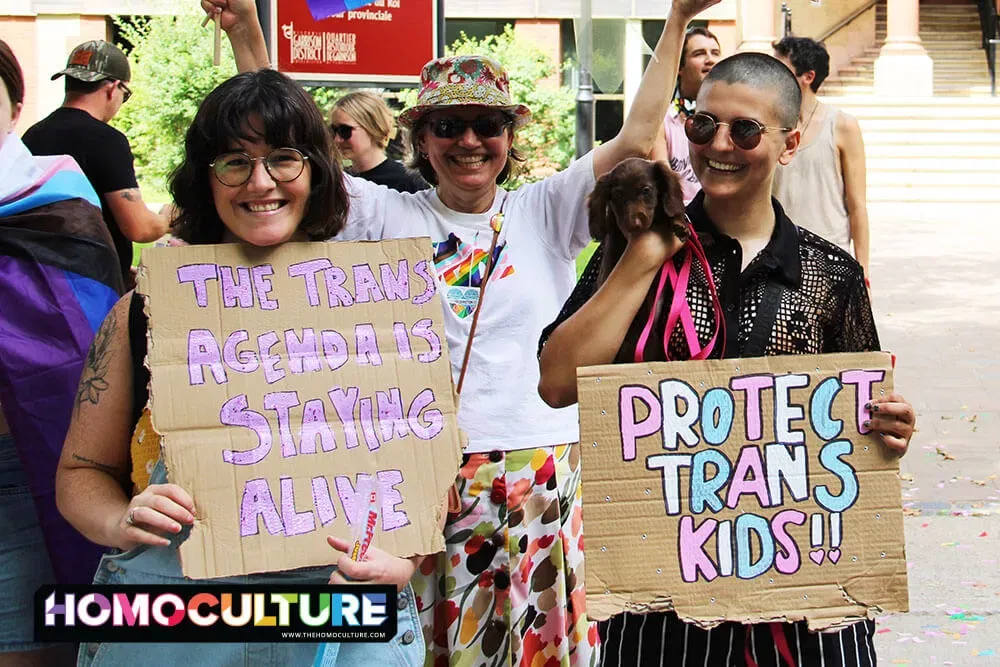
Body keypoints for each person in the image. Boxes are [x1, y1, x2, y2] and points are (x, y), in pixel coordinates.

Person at [205, 0, 723, 663]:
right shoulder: (381, 211)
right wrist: (249, 34)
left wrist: (677, 18)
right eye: (450, 124)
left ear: (510, 137)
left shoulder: (545, 209)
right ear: (421, 139)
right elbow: (297, 150)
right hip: (418, 485)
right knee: (428, 647)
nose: (469, 141)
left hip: (539, 473)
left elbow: (635, 136)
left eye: (487, 124)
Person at [537, 52, 916, 666]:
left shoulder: (829, 276)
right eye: (701, 124)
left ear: (790, 144)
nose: (719, 144)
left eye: (744, 130)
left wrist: (889, 428)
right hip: (665, 617)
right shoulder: (637, 253)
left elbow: (858, 419)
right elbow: (556, 383)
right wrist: (644, 258)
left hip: (803, 611)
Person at [55, 68, 426, 667]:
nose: (260, 182)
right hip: (175, 605)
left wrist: (404, 561)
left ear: (318, 171)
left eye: (284, 158)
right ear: (206, 178)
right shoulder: (146, 311)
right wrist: (119, 517)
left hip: (339, 603)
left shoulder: (380, 302)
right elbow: (80, 470)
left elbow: (426, 470)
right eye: (234, 160)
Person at [0, 38, 121, 667]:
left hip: (29, 468)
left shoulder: (55, 193)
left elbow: (88, 331)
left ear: (14, 107)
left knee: (35, 646)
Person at [22, 40, 169, 286]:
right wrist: (166, 218)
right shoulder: (106, 139)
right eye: (125, 94)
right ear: (113, 88)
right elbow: (140, 228)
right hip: (91, 287)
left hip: (42, 281)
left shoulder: (33, 135)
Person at [772, 36, 871, 281]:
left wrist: (863, 272)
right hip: (776, 257)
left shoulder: (842, 125)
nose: (772, 77)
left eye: (781, 71)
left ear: (808, 77)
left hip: (829, 259)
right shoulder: (769, 126)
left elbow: (857, 205)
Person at [650, 27, 721, 203]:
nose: (710, 59)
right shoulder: (661, 120)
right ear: (679, 67)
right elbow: (662, 181)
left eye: (715, 53)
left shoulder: (728, 120)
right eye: (699, 54)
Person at [330, 90, 428, 193]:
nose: (337, 139)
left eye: (345, 130)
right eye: (333, 131)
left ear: (373, 127)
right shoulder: (338, 181)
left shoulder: (409, 180)